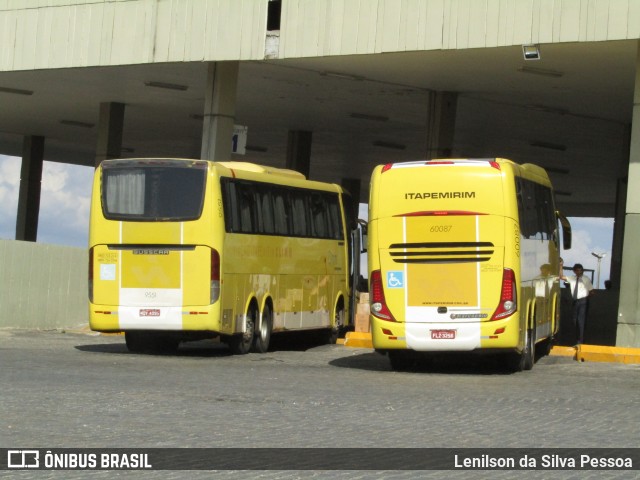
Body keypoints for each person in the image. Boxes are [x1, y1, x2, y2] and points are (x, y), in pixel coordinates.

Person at [561, 263, 594, 346]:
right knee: (574, 321)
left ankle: (580, 341)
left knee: (580, 321)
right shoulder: (572, 278)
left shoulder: (586, 279)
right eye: (577, 270)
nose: (579, 272)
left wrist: (586, 298)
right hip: (575, 301)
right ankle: (577, 339)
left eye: (581, 270)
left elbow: (592, 291)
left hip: (583, 301)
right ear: (574, 271)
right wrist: (560, 266)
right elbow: (561, 277)